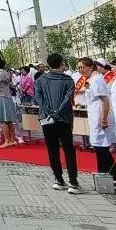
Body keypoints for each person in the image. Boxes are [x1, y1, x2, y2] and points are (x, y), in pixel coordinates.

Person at [35, 53, 79, 193]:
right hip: (63, 118)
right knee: (68, 149)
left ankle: (58, 179)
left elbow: (38, 98)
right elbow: (68, 98)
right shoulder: (68, 80)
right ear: (61, 64)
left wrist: (50, 111)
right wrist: (58, 111)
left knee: (52, 149)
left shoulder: (40, 79)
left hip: (47, 118)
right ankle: (73, 182)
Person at [79, 57, 116, 188]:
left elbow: (105, 100)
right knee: (98, 147)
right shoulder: (89, 79)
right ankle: (106, 174)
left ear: (91, 67)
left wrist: (104, 118)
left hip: (99, 115)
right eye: (79, 68)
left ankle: (114, 176)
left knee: (102, 147)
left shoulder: (97, 79)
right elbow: (87, 91)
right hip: (93, 114)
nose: (80, 70)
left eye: (83, 67)